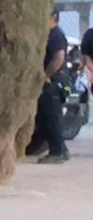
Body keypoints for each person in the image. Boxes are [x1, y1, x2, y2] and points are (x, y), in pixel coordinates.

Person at [29, 10, 72, 161]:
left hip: (53, 82)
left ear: (53, 17)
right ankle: (61, 149)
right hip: (54, 81)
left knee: (51, 117)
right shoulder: (51, 34)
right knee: (46, 117)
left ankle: (57, 152)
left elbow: (58, 58)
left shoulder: (55, 35)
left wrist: (45, 76)